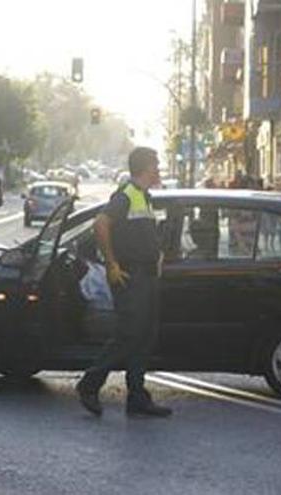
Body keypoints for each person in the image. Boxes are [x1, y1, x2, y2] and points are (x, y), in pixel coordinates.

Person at [75, 147, 172, 418]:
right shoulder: (125, 195)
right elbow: (101, 224)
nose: (159, 170)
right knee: (129, 335)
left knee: (144, 337)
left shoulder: (144, 197)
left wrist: (158, 255)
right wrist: (112, 264)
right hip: (131, 277)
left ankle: (137, 397)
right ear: (144, 168)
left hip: (146, 276)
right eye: (156, 165)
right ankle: (89, 384)